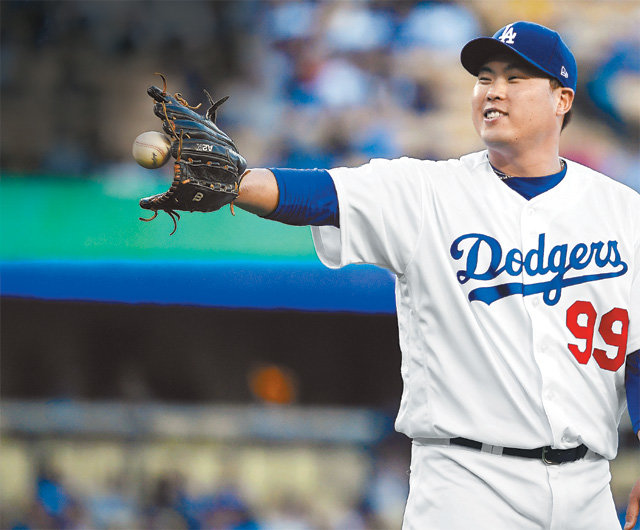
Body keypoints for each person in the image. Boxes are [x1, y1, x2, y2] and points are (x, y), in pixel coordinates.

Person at [142, 21, 639, 529]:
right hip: (469, 485)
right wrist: (242, 183)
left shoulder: (623, 213)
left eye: (515, 78)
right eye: (485, 78)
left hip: (588, 488)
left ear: (562, 100)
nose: (493, 91)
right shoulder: (426, 191)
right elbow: (322, 196)